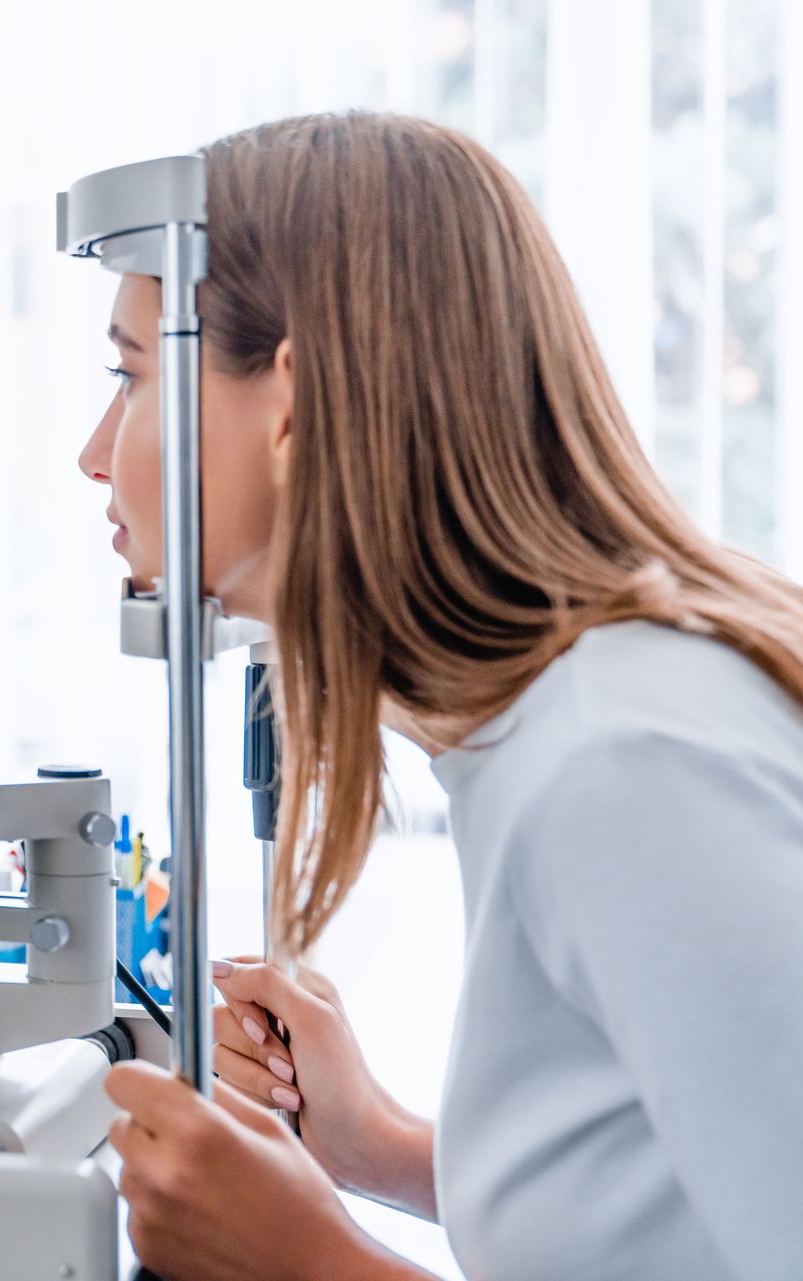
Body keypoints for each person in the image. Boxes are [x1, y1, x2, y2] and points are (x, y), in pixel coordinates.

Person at [82, 112, 803, 1280]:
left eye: (132, 376)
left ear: (293, 405)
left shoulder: (630, 766)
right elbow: (674, 1215)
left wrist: (315, 1261)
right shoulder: (543, 729)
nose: (94, 453)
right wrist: (383, 1150)